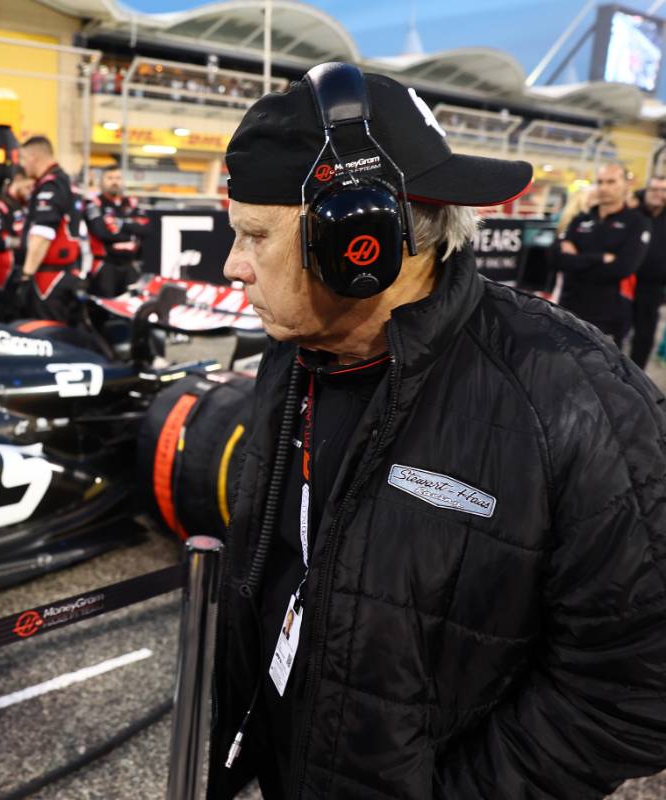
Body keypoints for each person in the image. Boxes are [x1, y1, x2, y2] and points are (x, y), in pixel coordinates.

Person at [209, 62, 666, 800]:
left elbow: (636, 688)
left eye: (254, 236)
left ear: (360, 243)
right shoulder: (288, 361)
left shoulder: (577, 396)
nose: (232, 266)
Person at [552, 163, 650, 345]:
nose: (604, 187)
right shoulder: (580, 219)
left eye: (611, 182)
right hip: (568, 310)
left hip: (608, 316)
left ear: (626, 185)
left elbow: (623, 268)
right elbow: (556, 259)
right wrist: (599, 258)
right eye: (600, 182)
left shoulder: (637, 223)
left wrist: (576, 262)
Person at [16, 136, 84, 322]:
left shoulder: (51, 185)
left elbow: (43, 233)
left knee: (47, 332)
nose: (22, 164)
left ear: (34, 157)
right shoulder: (63, 181)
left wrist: (26, 275)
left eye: (23, 158)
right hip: (64, 274)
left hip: (50, 278)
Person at [84, 165, 150, 298]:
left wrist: (118, 225)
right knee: (104, 306)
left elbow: (145, 229)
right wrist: (130, 232)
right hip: (104, 265)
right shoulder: (94, 203)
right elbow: (101, 232)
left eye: (118, 178)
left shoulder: (132, 203)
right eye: (110, 178)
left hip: (130, 265)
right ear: (101, 181)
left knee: (132, 303)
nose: (114, 181)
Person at [0, 167, 32, 321]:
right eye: (28, 186)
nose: (30, 191)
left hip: (23, 272)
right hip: (3, 274)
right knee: (4, 318)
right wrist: (26, 242)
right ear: (18, 180)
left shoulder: (26, 206)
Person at [632, 174, 666, 368]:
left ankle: (635, 377)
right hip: (625, 284)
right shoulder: (633, 214)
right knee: (614, 334)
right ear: (646, 191)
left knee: (644, 337)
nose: (658, 194)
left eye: (663, 190)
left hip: (653, 289)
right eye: (654, 189)